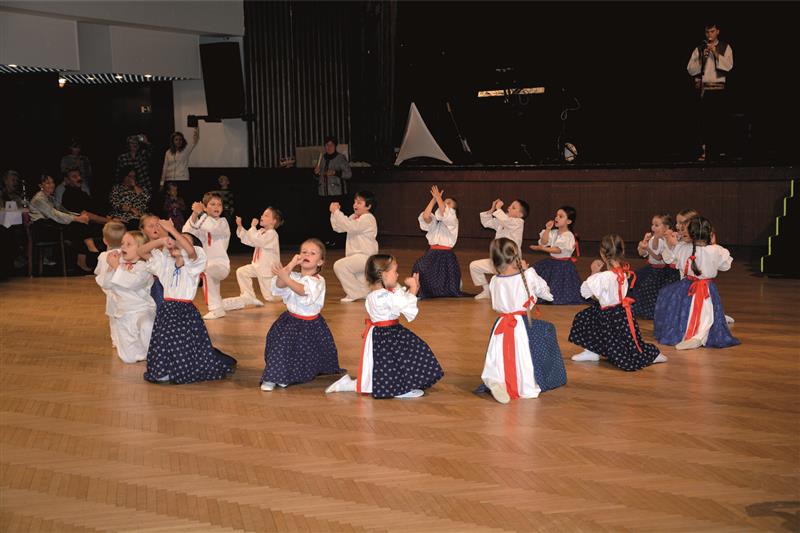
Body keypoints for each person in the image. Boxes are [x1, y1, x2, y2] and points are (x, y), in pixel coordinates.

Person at [325, 254, 443, 398]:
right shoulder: (381, 296)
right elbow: (404, 307)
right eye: (395, 271)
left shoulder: (384, 293)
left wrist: (411, 290)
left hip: (391, 332)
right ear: (384, 275)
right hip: (386, 335)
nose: (397, 274)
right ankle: (398, 389)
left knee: (405, 357)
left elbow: (398, 301)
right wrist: (412, 289)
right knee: (393, 363)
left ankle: (350, 384)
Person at [138, 219, 237, 384]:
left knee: (183, 346)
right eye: (176, 242)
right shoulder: (166, 264)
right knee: (164, 343)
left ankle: (182, 370)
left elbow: (191, 251)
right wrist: (162, 240)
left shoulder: (193, 265)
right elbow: (141, 251)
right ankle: (164, 371)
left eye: (182, 241)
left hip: (184, 311)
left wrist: (172, 230)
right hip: (166, 310)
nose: (178, 243)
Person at [475, 238, 565, 404]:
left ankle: (496, 379)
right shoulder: (528, 275)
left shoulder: (495, 281)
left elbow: (496, 305)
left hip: (501, 325)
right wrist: (527, 271)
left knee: (499, 355)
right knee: (526, 351)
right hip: (521, 325)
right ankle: (524, 383)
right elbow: (547, 294)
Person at [569, 234, 667, 369]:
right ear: (622, 252)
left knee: (584, 318)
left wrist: (593, 272)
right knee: (627, 340)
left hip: (608, 315)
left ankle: (591, 351)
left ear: (603, 254)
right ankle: (651, 355)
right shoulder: (625, 272)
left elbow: (586, 293)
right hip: (622, 312)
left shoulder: (604, 276)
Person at [260, 239, 344, 391]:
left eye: (312, 253)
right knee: (280, 348)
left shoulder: (318, 281)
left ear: (320, 262)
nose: (307, 255)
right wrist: (291, 264)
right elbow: (279, 285)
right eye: (304, 252)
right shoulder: (295, 276)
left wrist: (286, 277)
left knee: (301, 356)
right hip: (289, 322)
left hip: (310, 326)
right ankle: (272, 377)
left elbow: (302, 290)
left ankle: (284, 376)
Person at [654, 216, 740, 350]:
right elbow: (725, 266)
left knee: (687, 310)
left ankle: (688, 335)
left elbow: (672, 260)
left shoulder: (683, 248)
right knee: (706, 312)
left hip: (687, 286)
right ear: (709, 234)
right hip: (706, 288)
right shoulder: (716, 250)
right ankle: (699, 336)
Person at [96, 230, 156, 363]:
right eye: (122, 243)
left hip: (143, 310)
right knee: (128, 358)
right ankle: (142, 352)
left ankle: (153, 352)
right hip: (123, 313)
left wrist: (117, 267)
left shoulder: (145, 266)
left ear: (141, 249)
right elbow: (105, 284)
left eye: (129, 244)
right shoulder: (119, 265)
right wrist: (111, 268)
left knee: (147, 325)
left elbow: (133, 282)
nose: (123, 247)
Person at [687, 21, 733, 162]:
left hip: (719, 89)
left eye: (712, 31)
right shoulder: (700, 48)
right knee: (705, 122)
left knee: (718, 121)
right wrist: (703, 57)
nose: (709, 34)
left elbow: (729, 66)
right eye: (707, 32)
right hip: (705, 89)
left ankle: (718, 151)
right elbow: (690, 68)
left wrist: (716, 53)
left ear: (717, 31)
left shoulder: (725, 47)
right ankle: (705, 151)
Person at [28, 174, 93, 272]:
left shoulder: (50, 197)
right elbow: (55, 214)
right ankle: (90, 254)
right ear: (40, 185)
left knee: (81, 225)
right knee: (78, 227)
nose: (52, 185)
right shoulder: (39, 199)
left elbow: (63, 211)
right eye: (47, 183)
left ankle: (83, 259)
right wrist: (77, 219)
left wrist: (79, 215)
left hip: (51, 226)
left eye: (52, 182)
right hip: (42, 230)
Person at [223, 207, 283, 311]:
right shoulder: (261, 232)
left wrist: (252, 227)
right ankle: (249, 296)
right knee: (241, 272)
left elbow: (257, 240)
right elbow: (250, 240)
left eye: (266, 215)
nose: (262, 216)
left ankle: (288, 294)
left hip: (266, 269)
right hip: (257, 265)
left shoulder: (272, 234)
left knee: (269, 297)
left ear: (274, 221)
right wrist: (240, 226)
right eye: (263, 214)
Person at [183, 192, 231, 319]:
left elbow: (212, 228)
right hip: (208, 264)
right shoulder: (202, 223)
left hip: (221, 265)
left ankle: (215, 309)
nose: (217, 207)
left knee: (206, 272)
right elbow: (187, 231)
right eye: (212, 204)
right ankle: (221, 305)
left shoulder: (223, 222)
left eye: (219, 204)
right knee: (207, 275)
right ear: (205, 207)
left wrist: (200, 213)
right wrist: (194, 212)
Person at [470, 198, 528, 300]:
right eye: (510, 205)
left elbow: (505, 220)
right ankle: (486, 290)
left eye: (513, 207)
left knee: (510, 285)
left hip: (511, 264)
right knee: (474, 266)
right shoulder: (503, 221)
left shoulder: (519, 222)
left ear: (520, 215)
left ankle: (514, 296)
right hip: (498, 261)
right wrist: (493, 209)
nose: (509, 207)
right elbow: (486, 222)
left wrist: (498, 209)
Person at [412, 185, 462, 298]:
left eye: (448, 203)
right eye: (444, 201)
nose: (444, 203)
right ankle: (421, 290)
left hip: (445, 255)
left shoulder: (453, 220)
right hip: (432, 253)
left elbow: (445, 212)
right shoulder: (435, 220)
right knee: (419, 266)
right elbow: (425, 216)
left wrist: (439, 198)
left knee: (441, 280)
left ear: (454, 209)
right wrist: (434, 199)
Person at [529, 206, 585, 305]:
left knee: (559, 285)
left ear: (568, 221)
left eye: (561, 216)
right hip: (552, 262)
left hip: (563, 265)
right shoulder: (554, 232)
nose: (556, 218)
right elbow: (543, 241)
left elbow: (558, 250)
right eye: (556, 215)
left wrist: (542, 249)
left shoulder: (568, 235)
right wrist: (547, 229)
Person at [330, 190, 379, 302]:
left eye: (359, 203)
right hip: (355, 256)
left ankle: (355, 293)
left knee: (340, 266)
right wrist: (334, 214)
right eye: (355, 202)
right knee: (361, 282)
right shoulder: (353, 217)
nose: (355, 205)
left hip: (365, 256)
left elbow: (351, 226)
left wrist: (337, 212)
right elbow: (338, 227)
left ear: (368, 206)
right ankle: (362, 293)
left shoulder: (368, 218)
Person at [629, 213, 681, 319]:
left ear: (666, 227)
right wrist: (643, 244)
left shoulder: (666, 240)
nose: (653, 227)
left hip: (660, 270)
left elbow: (658, 258)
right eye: (653, 224)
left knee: (650, 288)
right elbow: (642, 254)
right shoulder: (653, 238)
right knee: (634, 279)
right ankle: (635, 306)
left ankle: (651, 311)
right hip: (651, 268)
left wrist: (648, 248)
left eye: (657, 225)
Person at [315, 136, 352, 247]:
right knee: (325, 218)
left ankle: (338, 241)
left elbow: (349, 174)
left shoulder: (340, 158)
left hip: (336, 193)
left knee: (337, 218)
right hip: (323, 193)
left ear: (335, 146)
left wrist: (335, 173)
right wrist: (316, 173)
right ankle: (327, 240)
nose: (329, 147)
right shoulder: (322, 158)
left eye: (331, 145)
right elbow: (319, 177)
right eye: (327, 145)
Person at [94, 221, 126, 348]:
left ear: (105, 241)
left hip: (111, 293)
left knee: (113, 318)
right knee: (125, 316)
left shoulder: (103, 256)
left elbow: (98, 272)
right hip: (125, 292)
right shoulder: (126, 253)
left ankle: (115, 341)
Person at [139, 214, 166, 309]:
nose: (155, 228)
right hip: (149, 287)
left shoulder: (170, 244)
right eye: (150, 226)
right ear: (142, 229)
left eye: (158, 225)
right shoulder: (140, 247)